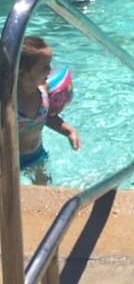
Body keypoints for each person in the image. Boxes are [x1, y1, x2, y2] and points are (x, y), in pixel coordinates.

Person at [18, 35, 80, 184]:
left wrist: (69, 132)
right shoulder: (7, 101)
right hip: (7, 161)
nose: (50, 70)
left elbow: (46, 118)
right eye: (45, 66)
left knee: (44, 187)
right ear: (22, 72)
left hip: (37, 155)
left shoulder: (44, 91)